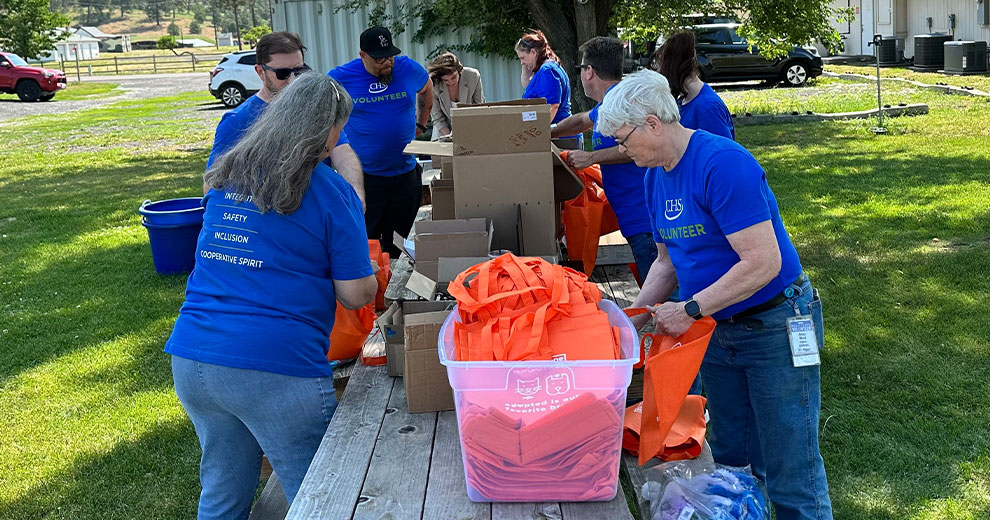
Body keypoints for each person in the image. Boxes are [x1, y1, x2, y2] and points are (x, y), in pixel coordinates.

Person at [598, 70, 832, 520]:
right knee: (732, 460)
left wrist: (690, 308)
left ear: (652, 123)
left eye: (624, 139)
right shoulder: (654, 174)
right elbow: (666, 261)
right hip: (719, 330)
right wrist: (637, 315)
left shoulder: (722, 163)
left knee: (791, 466)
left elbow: (764, 263)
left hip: (775, 326)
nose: (621, 151)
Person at [166, 73, 378, 520]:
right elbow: (356, 294)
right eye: (340, 127)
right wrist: (371, 276)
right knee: (318, 496)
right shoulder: (328, 189)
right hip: (272, 365)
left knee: (223, 492)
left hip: (193, 355)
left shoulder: (228, 172)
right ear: (327, 130)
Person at [206, 32, 364, 207]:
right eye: (282, 73)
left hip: (318, 212)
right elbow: (213, 184)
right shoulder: (237, 120)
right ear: (260, 72)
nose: (293, 80)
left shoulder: (315, 108)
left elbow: (342, 153)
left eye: (300, 71)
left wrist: (355, 195)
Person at [550, 36, 655, 281]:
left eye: (581, 68)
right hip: (634, 217)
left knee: (664, 301)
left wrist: (591, 158)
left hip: (645, 220)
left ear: (589, 72)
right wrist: (547, 132)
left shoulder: (623, 102)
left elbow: (637, 147)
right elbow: (582, 120)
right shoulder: (609, 102)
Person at [329, 26, 433, 257]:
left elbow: (426, 90)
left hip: (404, 177)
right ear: (363, 55)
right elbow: (321, 109)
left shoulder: (408, 69)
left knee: (400, 245)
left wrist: (421, 124)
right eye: (379, 58)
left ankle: (395, 288)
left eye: (390, 56)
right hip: (366, 179)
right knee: (367, 246)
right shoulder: (341, 77)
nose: (387, 62)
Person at [650, 31, 735, 139]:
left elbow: (722, 152)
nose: (658, 73)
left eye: (658, 66)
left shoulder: (707, 107)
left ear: (672, 66)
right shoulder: (683, 101)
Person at [516, 30, 571, 124]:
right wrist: (526, 65)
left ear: (533, 52)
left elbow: (553, 106)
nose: (522, 63)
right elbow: (527, 85)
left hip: (560, 134)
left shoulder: (547, 70)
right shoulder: (542, 70)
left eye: (523, 58)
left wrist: (538, 132)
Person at [427, 51, 485, 139]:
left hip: (471, 125)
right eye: (446, 80)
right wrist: (451, 138)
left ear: (459, 71)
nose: (450, 82)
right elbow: (438, 118)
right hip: (443, 129)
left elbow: (479, 108)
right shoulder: (433, 85)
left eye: (453, 77)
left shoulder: (473, 76)